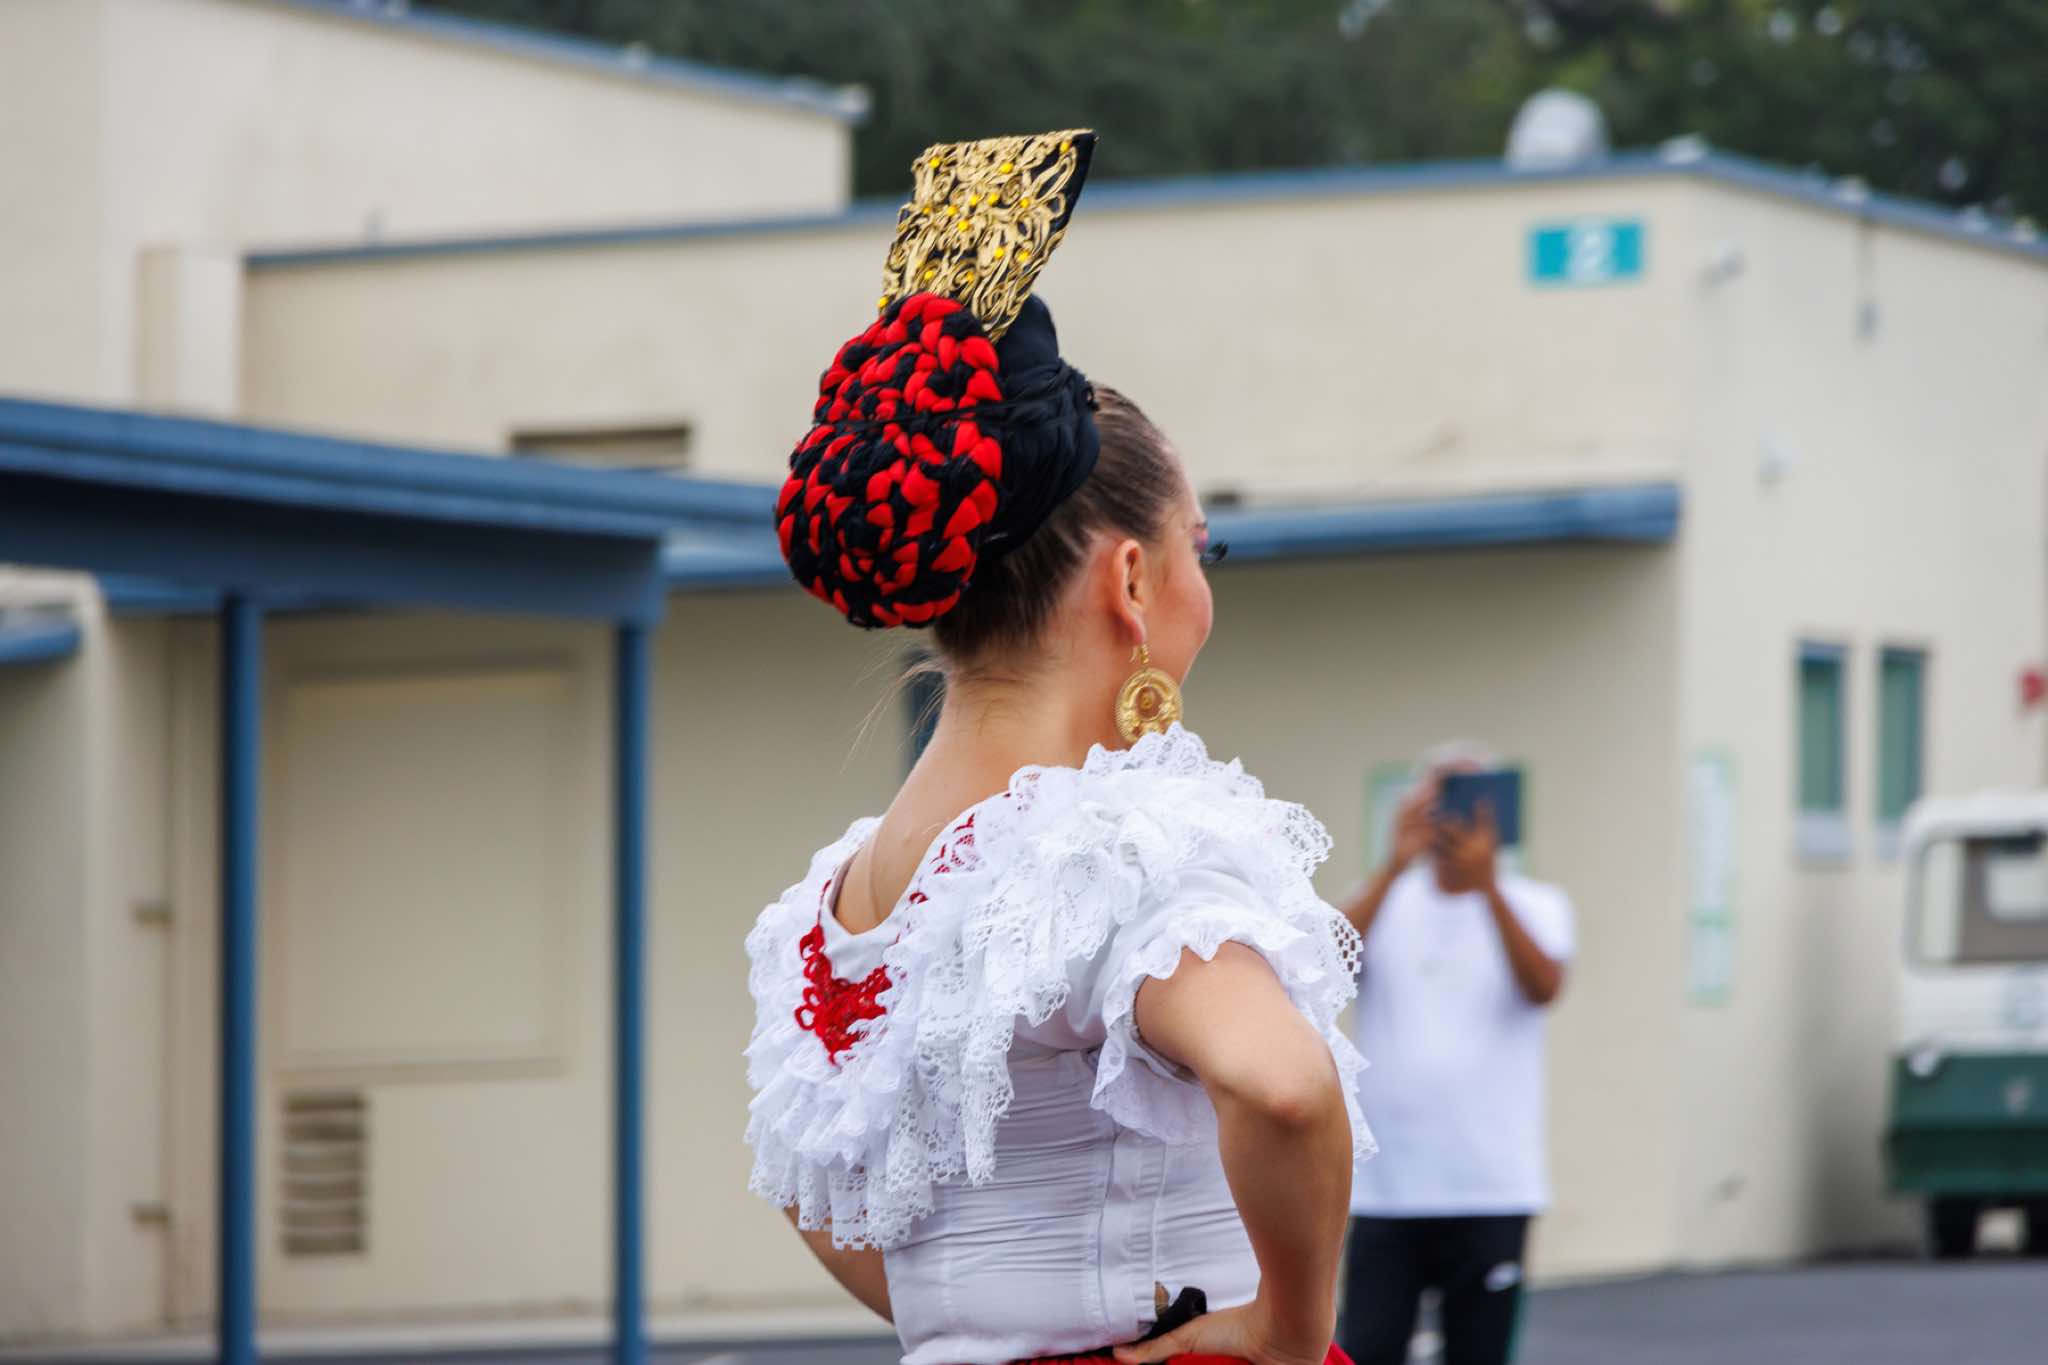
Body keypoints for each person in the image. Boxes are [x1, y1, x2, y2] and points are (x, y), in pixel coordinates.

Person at [742, 128, 1373, 1365]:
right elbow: (1279, 1084)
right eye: (1200, 549)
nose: (1202, 586)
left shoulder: (835, 906)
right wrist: (1286, 1332)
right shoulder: (1109, 848)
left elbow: (821, 1200)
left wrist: (991, 1318)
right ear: (1129, 580)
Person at [1334, 744, 1574, 1365]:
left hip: (1490, 1185)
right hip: (1387, 1189)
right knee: (1368, 1350)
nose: (1455, 820)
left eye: (1470, 803)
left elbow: (1543, 987)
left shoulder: (1536, 903)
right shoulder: (1382, 898)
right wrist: (1393, 864)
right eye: (1440, 800)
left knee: (1479, 1353)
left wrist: (1488, 885)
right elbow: (1326, 966)